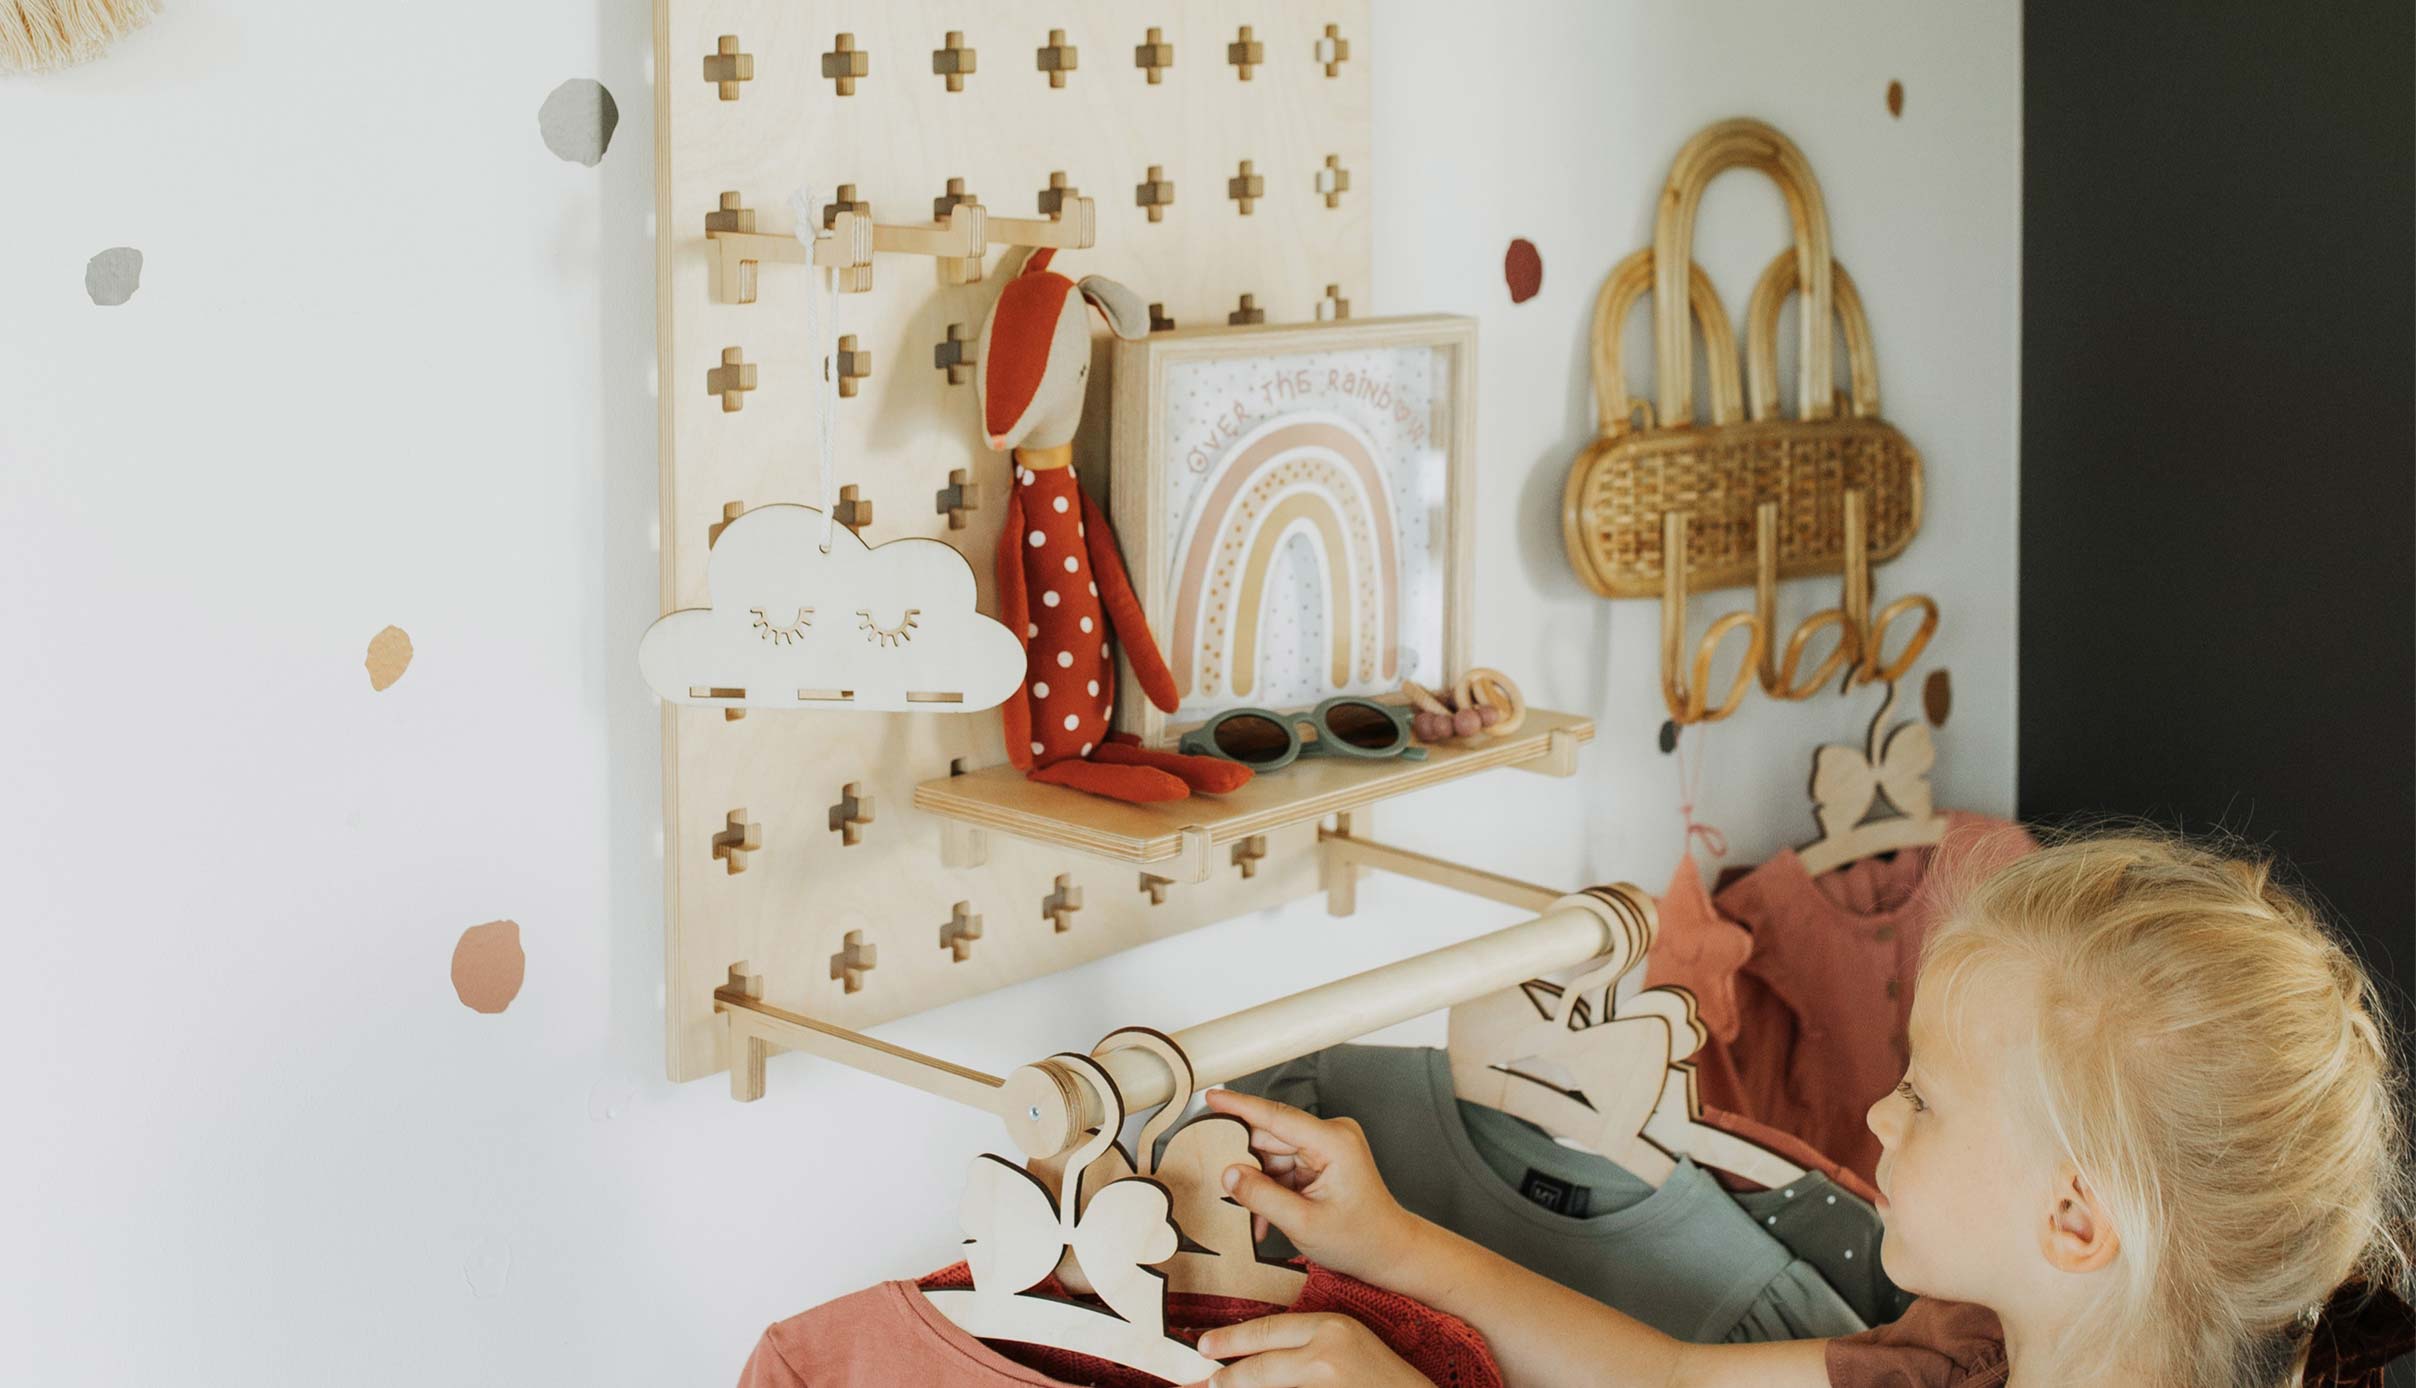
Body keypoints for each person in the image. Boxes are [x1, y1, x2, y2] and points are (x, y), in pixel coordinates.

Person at [1191, 834, 2413, 1387]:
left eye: (1925, 1095)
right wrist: (1391, 1239)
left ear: (2074, 1222)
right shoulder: (1955, 1358)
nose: (1876, 1116)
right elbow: (1667, 1379)